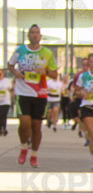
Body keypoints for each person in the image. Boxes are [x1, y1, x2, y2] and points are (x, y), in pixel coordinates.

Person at [7, 24, 58, 167]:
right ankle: (24, 147)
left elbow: (55, 74)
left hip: (39, 94)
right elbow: (10, 64)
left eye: (37, 33)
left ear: (40, 36)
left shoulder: (47, 53)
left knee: (36, 127)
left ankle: (34, 155)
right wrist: (15, 72)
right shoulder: (20, 50)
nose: (34, 35)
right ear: (28, 36)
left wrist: (45, 72)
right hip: (23, 92)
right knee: (24, 123)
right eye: (32, 33)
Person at [0, 70, 11, 136]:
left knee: (3, 115)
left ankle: (4, 128)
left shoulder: (7, 81)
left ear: (3, 74)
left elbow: (10, 89)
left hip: (5, 102)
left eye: (0, 73)